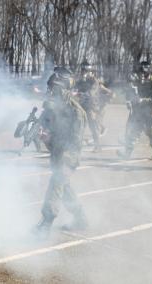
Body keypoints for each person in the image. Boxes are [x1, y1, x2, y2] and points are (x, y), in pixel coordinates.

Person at [35, 67, 87, 238]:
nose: (52, 92)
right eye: (51, 88)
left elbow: (75, 142)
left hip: (68, 156)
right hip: (57, 153)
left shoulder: (76, 112)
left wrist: (53, 138)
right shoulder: (51, 109)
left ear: (66, 90)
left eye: (56, 89)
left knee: (57, 182)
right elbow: (49, 132)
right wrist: (44, 137)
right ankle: (80, 217)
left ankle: (45, 223)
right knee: (64, 188)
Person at [117, 61, 152, 160]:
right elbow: (130, 93)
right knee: (133, 131)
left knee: (151, 132)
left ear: (148, 72)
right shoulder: (136, 81)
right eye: (140, 72)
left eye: (143, 72)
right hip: (138, 111)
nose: (141, 74)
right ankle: (127, 153)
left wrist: (143, 100)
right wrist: (129, 101)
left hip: (149, 111)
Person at [74, 60, 114, 152]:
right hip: (82, 105)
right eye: (82, 71)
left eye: (85, 71)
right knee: (78, 124)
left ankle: (98, 146)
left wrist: (79, 93)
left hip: (93, 106)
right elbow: (74, 88)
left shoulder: (94, 81)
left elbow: (91, 93)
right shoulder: (80, 80)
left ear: (89, 71)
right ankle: (76, 144)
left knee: (93, 125)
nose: (83, 73)